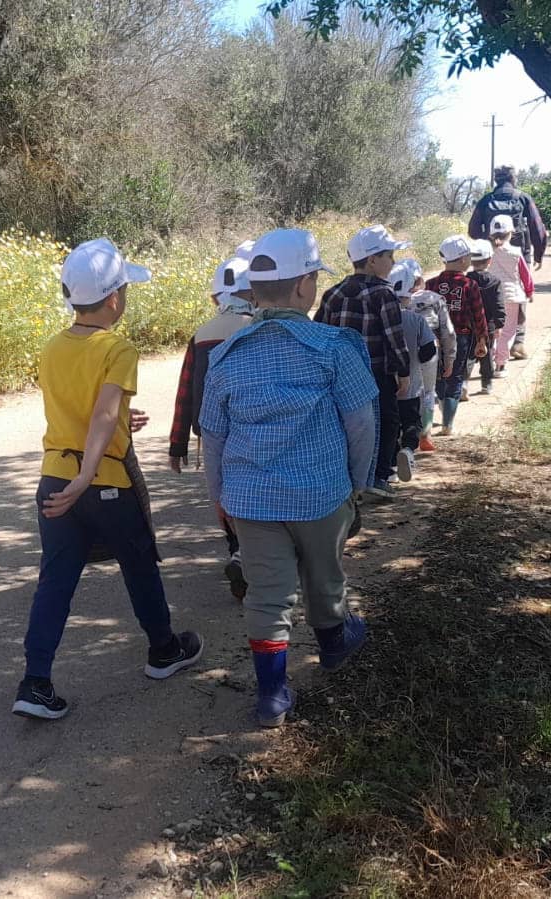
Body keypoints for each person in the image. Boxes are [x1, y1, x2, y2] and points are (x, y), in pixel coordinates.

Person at [13, 238, 204, 721]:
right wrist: (87, 474)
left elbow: (84, 410)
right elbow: (99, 413)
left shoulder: (52, 347)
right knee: (138, 564)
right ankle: (163, 650)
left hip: (53, 477)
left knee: (55, 579)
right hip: (102, 480)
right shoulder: (118, 348)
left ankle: (35, 682)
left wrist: (119, 418)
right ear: (115, 298)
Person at [200, 229, 378, 728]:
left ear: (256, 290)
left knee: (267, 593)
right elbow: (361, 421)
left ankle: (273, 695)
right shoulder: (335, 346)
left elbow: (212, 436)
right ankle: (334, 645)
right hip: (321, 494)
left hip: (251, 501)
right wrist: (356, 482)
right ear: (304, 287)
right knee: (325, 578)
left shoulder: (227, 355)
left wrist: (220, 500)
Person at [168, 254, 253, 600]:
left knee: (223, 492)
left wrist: (178, 444)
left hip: (211, 430)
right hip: (252, 428)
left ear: (216, 298)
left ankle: (236, 547)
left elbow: (185, 389)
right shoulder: (259, 326)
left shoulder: (203, 334)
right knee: (251, 487)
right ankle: (248, 551)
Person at [314, 224, 410, 499]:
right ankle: (378, 475)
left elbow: (319, 331)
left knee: (344, 425)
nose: (393, 263)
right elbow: (394, 337)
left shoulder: (333, 293)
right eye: (390, 256)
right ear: (372, 260)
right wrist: (403, 371)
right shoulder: (384, 294)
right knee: (388, 422)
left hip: (339, 375)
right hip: (376, 373)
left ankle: (346, 475)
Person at [468, 164, 547, 359]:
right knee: (516, 293)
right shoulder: (523, 198)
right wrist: (538, 254)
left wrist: (488, 244)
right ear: (513, 179)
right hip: (519, 253)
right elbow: (538, 228)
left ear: (496, 180)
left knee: (490, 294)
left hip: (490, 256)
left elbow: (473, 229)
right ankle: (517, 342)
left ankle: (490, 341)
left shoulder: (486, 201)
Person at [425, 235, 488, 436]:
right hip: (460, 337)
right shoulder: (469, 285)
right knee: (456, 376)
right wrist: (482, 339)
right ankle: (448, 424)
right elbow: (479, 314)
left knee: (438, 377)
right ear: (462, 260)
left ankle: (442, 411)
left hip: (435, 339)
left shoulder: (431, 284)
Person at [388, 262, 437, 480]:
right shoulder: (416, 320)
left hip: (385, 386)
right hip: (411, 385)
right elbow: (428, 351)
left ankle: (388, 467)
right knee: (411, 423)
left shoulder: (382, 319)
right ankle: (408, 450)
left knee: (389, 427)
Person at [404, 260, 456, 452]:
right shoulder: (435, 299)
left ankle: (406, 433)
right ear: (420, 279)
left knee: (407, 391)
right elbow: (448, 331)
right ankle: (425, 435)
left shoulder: (397, 299)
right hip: (430, 350)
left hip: (404, 350)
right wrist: (449, 358)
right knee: (427, 391)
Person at [488, 215, 534, 377]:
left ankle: (490, 359)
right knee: (508, 332)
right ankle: (500, 365)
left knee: (493, 331)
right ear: (511, 233)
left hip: (491, 298)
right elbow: (525, 275)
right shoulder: (515, 253)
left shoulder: (488, 253)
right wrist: (529, 292)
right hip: (512, 297)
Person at [465, 239, 505, 396]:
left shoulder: (465, 281)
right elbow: (498, 305)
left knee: (467, 354)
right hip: (487, 325)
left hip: (467, 325)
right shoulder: (495, 282)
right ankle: (486, 384)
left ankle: (463, 384)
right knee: (486, 354)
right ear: (490, 260)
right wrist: (499, 324)